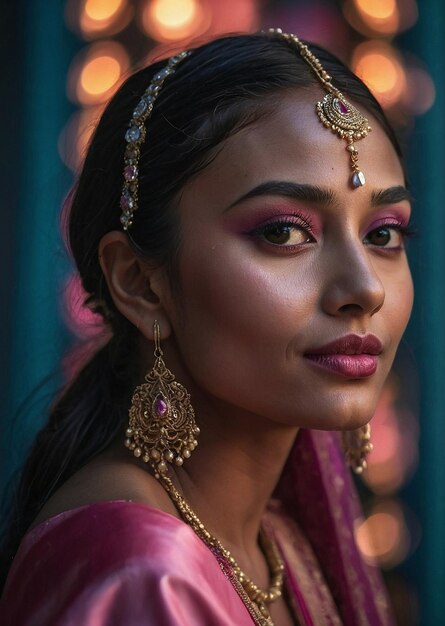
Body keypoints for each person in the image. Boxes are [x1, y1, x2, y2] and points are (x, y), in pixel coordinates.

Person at [0, 29, 413, 625]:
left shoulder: (279, 544)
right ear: (142, 284)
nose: (365, 289)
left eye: (383, 235)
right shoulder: (140, 571)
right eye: (283, 232)